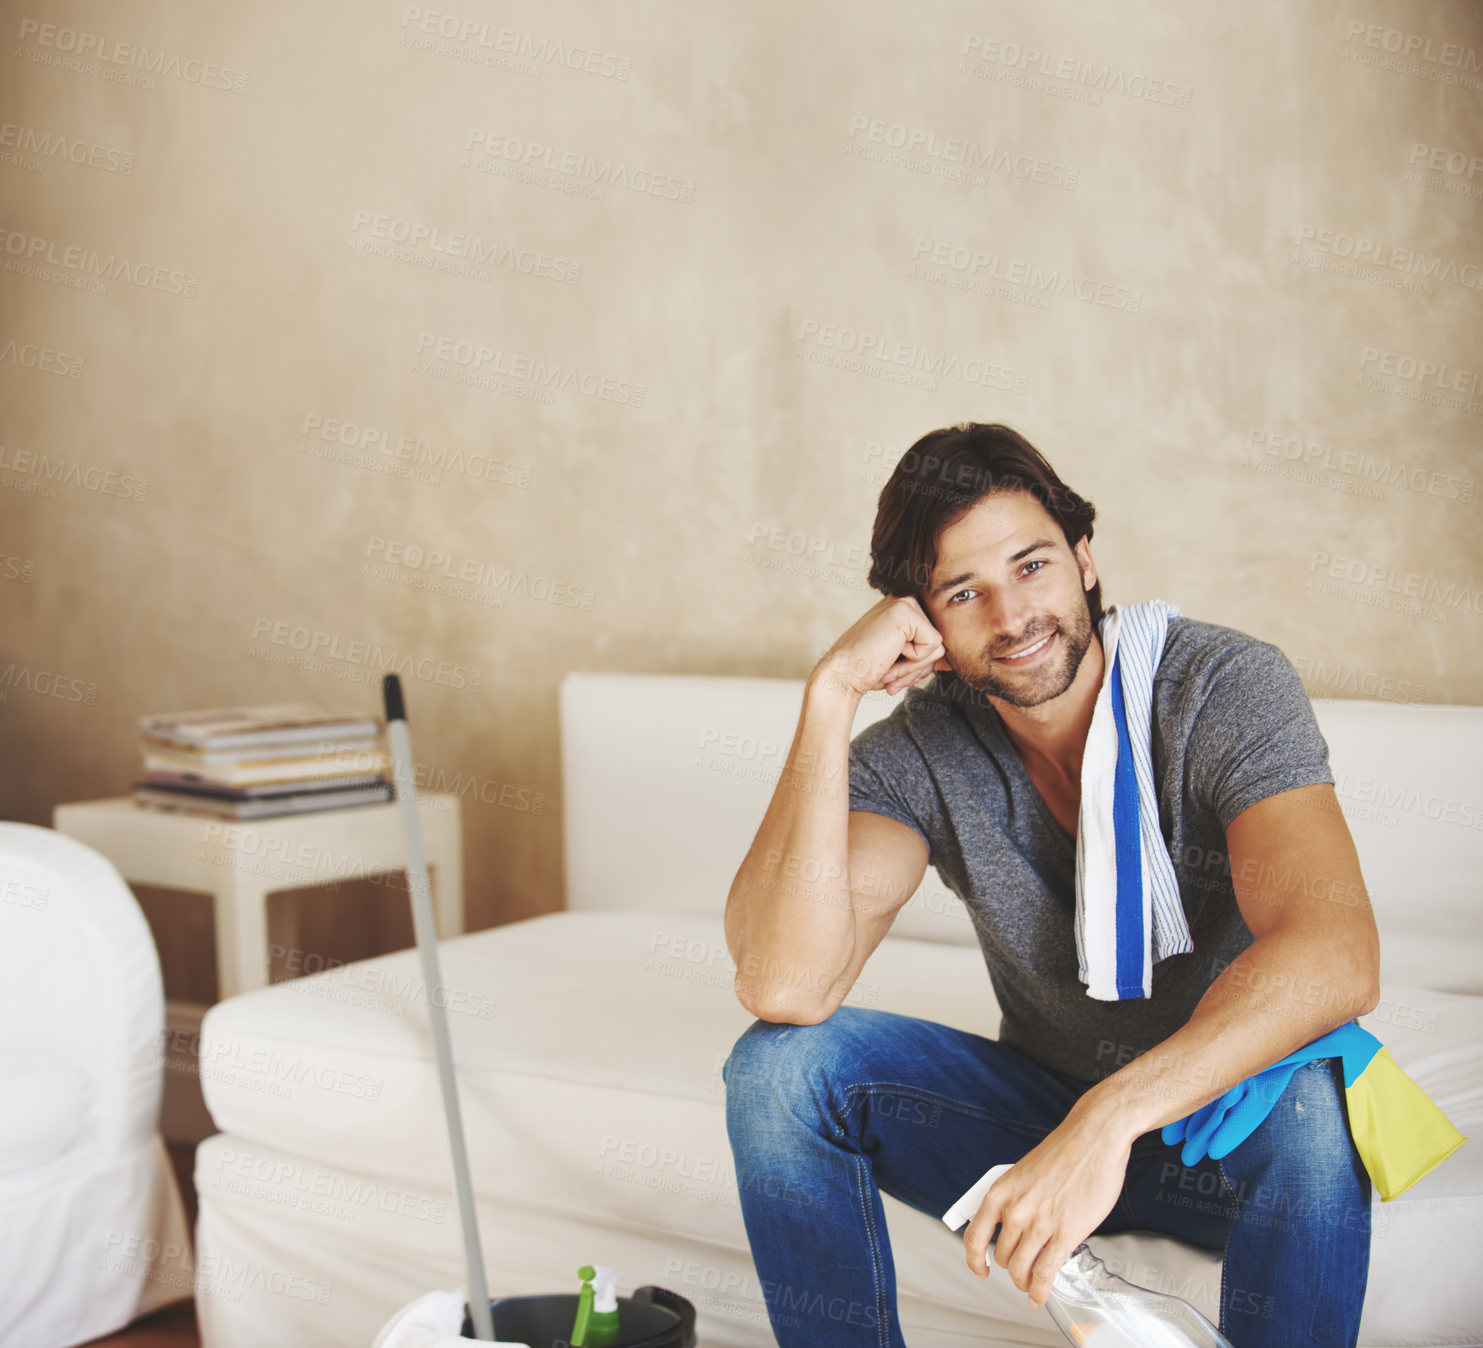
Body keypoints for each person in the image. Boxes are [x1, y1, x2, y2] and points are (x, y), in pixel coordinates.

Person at [721, 423, 1379, 1348]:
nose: (1013, 615)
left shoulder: (1222, 685)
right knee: (776, 1072)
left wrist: (1104, 1123)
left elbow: (1337, 953)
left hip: (1226, 1114)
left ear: (1083, 558)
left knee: (1312, 1107)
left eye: (1032, 567)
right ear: (923, 624)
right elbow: (785, 987)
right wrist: (829, 694)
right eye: (963, 592)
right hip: (1040, 1105)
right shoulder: (919, 749)